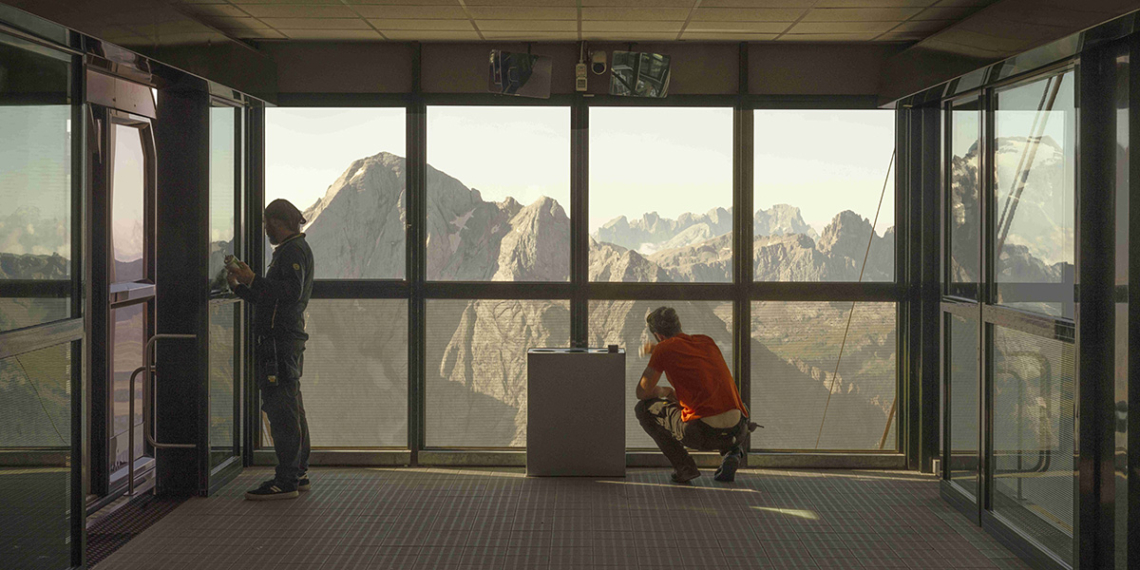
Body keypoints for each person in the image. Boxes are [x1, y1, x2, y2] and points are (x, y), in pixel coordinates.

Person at [227, 199, 315, 500]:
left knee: (282, 410)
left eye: (267, 224)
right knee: (291, 406)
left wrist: (252, 279)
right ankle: (297, 472)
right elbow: (272, 299)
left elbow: (289, 293)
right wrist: (242, 288)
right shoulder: (293, 250)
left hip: (280, 342)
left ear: (278, 222)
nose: (265, 230)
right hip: (285, 340)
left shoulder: (292, 252)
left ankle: (286, 480)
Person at [634, 306, 756, 484]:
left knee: (643, 409)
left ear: (658, 336)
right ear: (679, 325)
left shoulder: (663, 349)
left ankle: (685, 468)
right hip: (738, 429)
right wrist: (657, 349)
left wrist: (666, 391)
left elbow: (642, 392)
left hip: (702, 433)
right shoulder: (706, 341)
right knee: (734, 402)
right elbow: (681, 351)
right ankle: (734, 451)